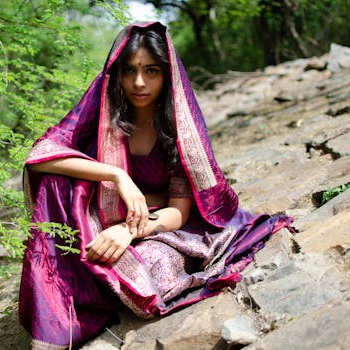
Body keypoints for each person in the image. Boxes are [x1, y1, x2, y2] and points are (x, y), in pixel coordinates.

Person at [19, 22, 293, 349]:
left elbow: (178, 212)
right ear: (116, 74)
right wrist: (115, 176)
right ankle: (56, 318)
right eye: (130, 71)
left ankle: (89, 298)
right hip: (98, 215)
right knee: (55, 182)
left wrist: (129, 231)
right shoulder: (103, 110)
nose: (139, 83)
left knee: (153, 266)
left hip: (159, 224)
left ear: (166, 74)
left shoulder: (178, 126)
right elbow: (42, 155)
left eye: (151, 71)